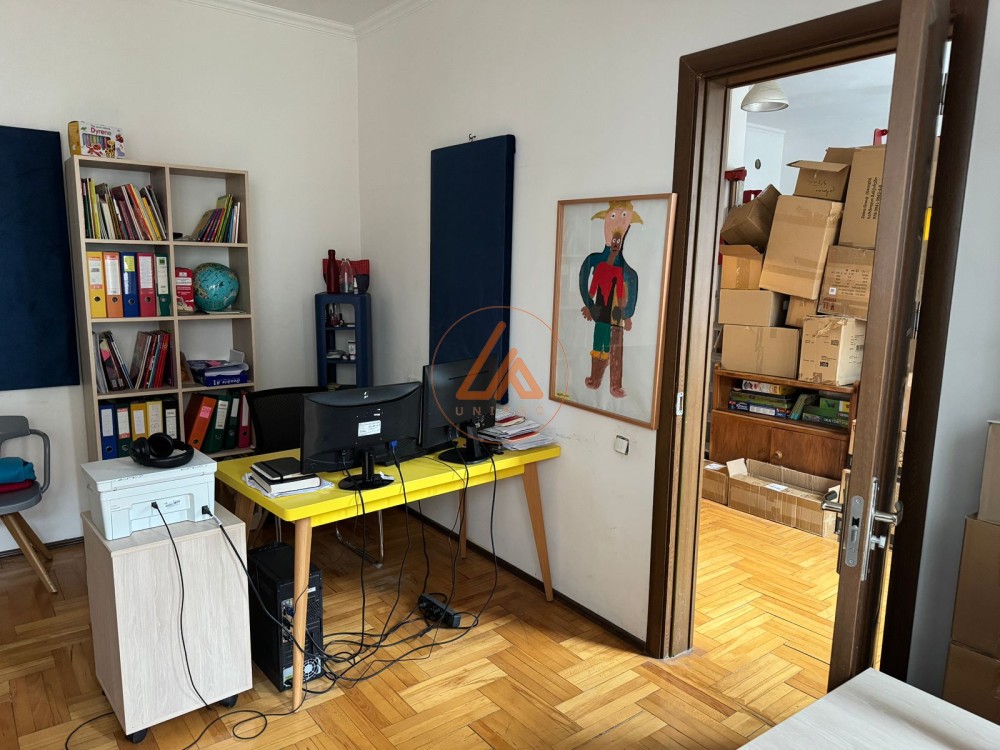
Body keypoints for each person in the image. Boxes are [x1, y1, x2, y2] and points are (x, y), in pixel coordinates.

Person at [578, 200, 641, 397]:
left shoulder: (624, 272)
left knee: (615, 346)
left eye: (624, 217)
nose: (619, 222)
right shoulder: (598, 264)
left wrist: (626, 314)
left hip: (615, 313)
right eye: (614, 216)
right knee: (599, 342)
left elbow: (623, 291)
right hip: (601, 310)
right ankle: (595, 378)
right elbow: (590, 285)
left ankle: (615, 384)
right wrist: (589, 305)